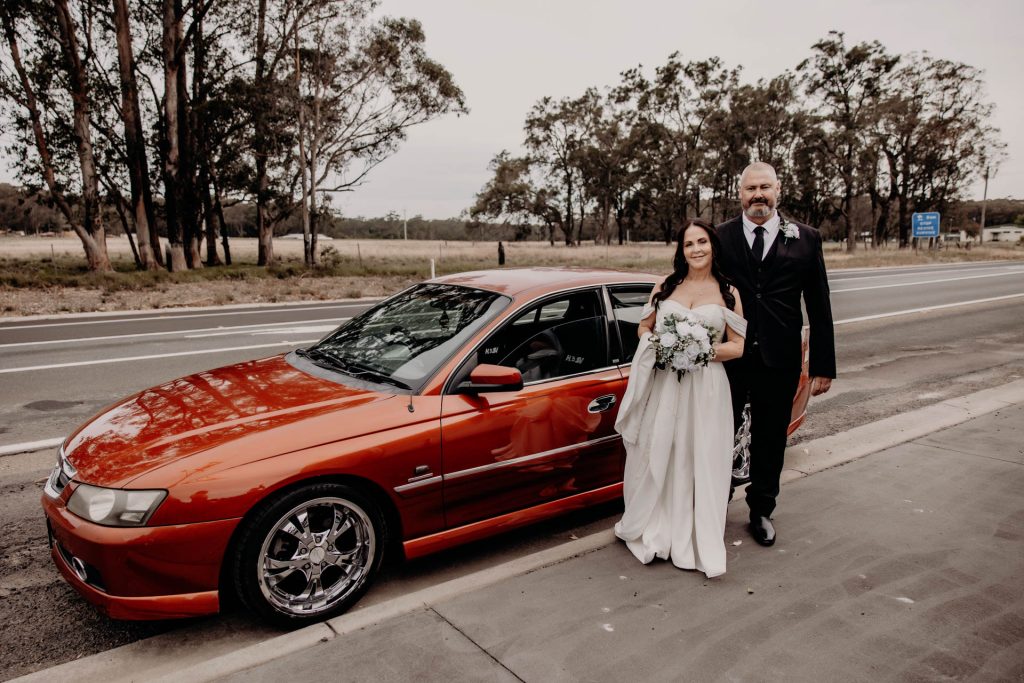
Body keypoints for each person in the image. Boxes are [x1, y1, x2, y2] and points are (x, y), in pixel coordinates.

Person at [614, 219, 746, 578]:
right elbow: (644, 327)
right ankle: (657, 524)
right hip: (667, 384)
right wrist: (659, 346)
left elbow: (737, 346)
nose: (697, 249)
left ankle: (693, 531)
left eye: (702, 242)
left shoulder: (729, 292)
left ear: (713, 245)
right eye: (689, 244)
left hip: (707, 387)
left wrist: (701, 351)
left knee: (698, 453)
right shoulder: (665, 285)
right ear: (681, 250)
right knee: (663, 448)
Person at [716, 162, 836, 547]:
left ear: (778, 190)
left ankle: (761, 510)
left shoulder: (806, 238)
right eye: (750, 188)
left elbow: (819, 307)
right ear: (739, 193)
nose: (758, 195)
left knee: (770, 438)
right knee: (719, 434)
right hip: (730, 359)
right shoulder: (720, 237)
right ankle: (715, 507)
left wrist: (822, 366)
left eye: (765, 187)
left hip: (780, 358)